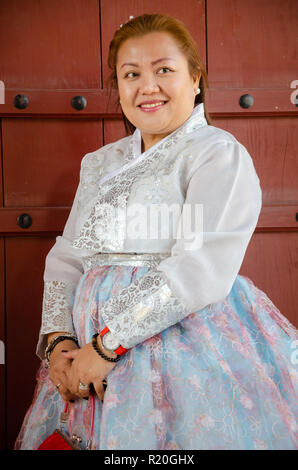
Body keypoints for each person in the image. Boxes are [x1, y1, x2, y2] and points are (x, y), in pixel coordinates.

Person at [15, 13, 297, 450]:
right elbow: (69, 257)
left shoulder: (215, 153)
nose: (147, 86)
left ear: (196, 78)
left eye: (164, 69)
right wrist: (59, 343)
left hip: (181, 348)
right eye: (131, 74)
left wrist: (107, 347)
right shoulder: (100, 163)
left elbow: (199, 267)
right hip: (82, 358)